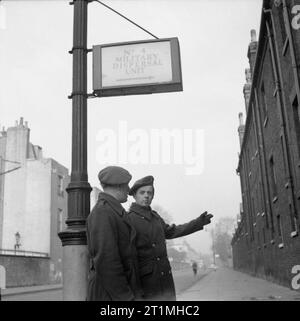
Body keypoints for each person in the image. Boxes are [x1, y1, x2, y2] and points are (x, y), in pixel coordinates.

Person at [127, 175, 213, 301]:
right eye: (142, 192)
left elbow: (172, 231)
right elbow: (129, 259)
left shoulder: (155, 217)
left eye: (149, 193)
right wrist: (136, 292)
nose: (146, 196)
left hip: (165, 279)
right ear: (134, 195)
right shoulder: (129, 220)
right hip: (147, 284)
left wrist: (198, 222)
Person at [86, 166, 143, 301]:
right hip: (109, 295)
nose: (129, 191)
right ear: (118, 186)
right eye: (126, 185)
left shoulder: (112, 211)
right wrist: (126, 298)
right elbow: (107, 262)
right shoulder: (103, 213)